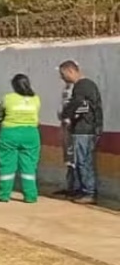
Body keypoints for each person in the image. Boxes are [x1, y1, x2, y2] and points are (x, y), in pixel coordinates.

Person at [59, 60, 102, 205]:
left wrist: (65, 114)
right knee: (80, 161)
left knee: (83, 161)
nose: (62, 77)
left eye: (63, 74)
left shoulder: (82, 86)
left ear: (71, 71)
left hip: (84, 129)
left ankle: (88, 192)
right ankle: (81, 190)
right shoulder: (86, 85)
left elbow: (76, 104)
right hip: (87, 128)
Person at [0, 74, 42, 203]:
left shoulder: (8, 98)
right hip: (31, 133)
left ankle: (4, 195)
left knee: (6, 164)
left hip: (10, 133)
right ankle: (31, 196)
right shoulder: (36, 99)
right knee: (29, 166)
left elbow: (0, 113)